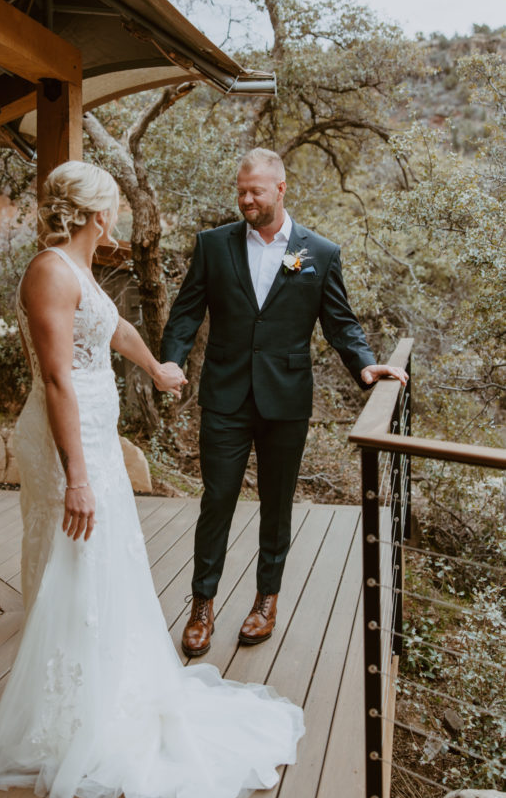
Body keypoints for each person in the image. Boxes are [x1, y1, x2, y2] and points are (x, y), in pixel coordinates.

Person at [0, 160, 305, 798]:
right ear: (98, 214)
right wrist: (76, 477)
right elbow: (60, 377)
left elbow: (112, 327)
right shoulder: (47, 271)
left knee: (106, 559)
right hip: (68, 446)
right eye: (115, 207)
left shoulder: (78, 269)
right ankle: (66, 712)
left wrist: (154, 366)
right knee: (74, 558)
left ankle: (104, 686)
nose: (118, 216)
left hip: (93, 439)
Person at [161, 147, 408, 658]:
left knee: (276, 507)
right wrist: (172, 361)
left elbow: (340, 321)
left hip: (286, 401)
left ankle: (265, 600)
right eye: (241, 190)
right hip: (225, 397)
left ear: (281, 188)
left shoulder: (319, 252)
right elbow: (186, 312)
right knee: (216, 502)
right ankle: (201, 604)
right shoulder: (212, 245)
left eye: (255, 190)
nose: (246, 199)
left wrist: (364, 364)